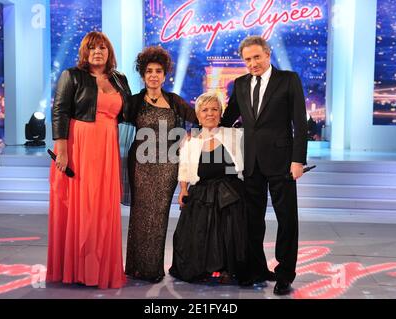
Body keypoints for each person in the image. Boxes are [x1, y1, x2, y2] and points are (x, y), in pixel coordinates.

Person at [221, 36, 308, 295]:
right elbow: (228, 119)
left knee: (286, 219)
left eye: (257, 57)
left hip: (282, 162)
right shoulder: (240, 84)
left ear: (268, 54)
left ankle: (285, 274)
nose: (253, 63)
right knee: (251, 220)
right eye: (247, 59)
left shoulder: (288, 79)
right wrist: (203, 128)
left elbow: (300, 124)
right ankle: (256, 268)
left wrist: (298, 160)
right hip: (250, 163)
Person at [47, 31, 131, 289]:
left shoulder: (119, 78)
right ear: (85, 52)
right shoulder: (71, 76)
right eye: (92, 48)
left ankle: (99, 268)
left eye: (103, 48)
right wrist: (62, 148)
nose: (98, 52)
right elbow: (60, 110)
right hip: (79, 145)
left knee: (103, 208)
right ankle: (77, 269)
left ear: (109, 52)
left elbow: (130, 111)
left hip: (107, 146)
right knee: (82, 207)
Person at [125, 46, 198, 283]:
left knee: (158, 217)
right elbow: (112, 122)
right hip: (140, 166)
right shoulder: (134, 102)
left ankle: (152, 269)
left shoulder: (174, 101)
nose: (153, 75)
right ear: (143, 75)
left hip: (167, 167)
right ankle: (135, 267)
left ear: (165, 75)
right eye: (149, 71)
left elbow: (199, 120)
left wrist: (189, 138)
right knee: (139, 215)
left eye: (158, 71)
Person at [169, 92, 249, 285]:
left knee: (228, 231)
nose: (210, 113)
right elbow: (185, 168)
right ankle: (203, 268)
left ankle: (227, 269)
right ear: (198, 115)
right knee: (198, 232)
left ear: (221, 113)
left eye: (214, 109)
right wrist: (183, 189)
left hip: (230, 193)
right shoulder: (190, 140)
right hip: (201, 192)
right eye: (205, 110)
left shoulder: (234, 135)